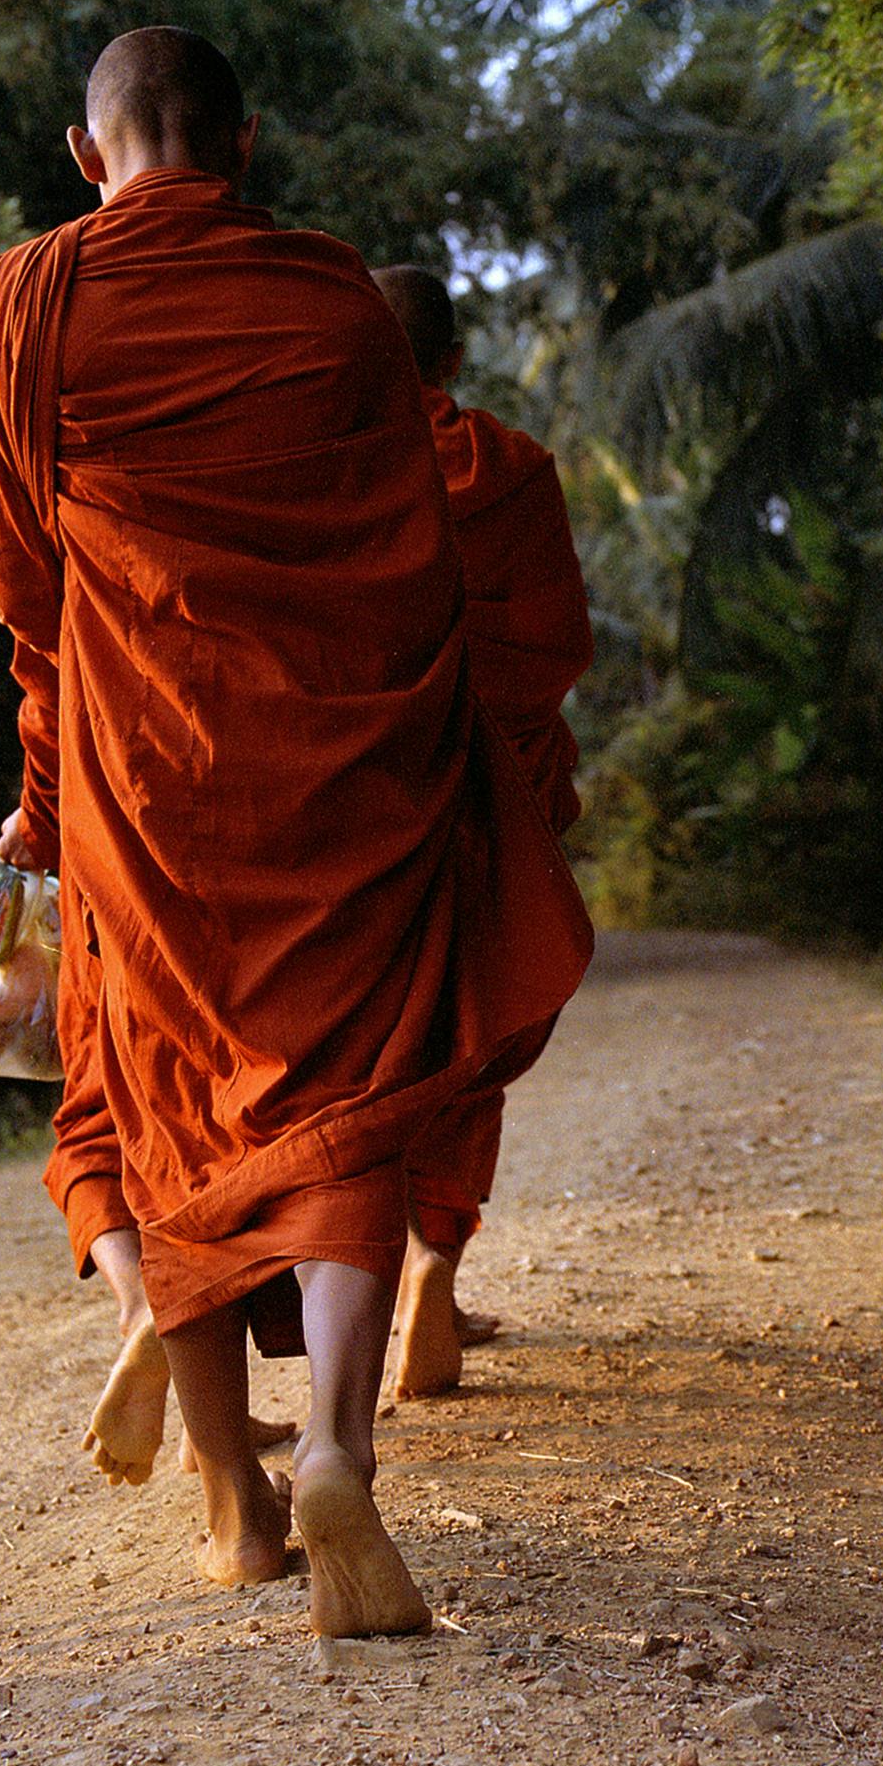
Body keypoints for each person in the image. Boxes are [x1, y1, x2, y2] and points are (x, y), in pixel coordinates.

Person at [0, 26, 593, 1636]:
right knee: (352, 1096)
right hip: (343, 777)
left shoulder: (5, 309)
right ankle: (339, 1451)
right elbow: (409, 575)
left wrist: (46, 794)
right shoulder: (334, 301)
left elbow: (31, 608)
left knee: (162, 1101)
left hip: (147, 787)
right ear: (249, 140)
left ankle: (232, 1501)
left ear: (85, 154)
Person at [367, 263, 595, 1402]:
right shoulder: (510, 470)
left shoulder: (321, 474)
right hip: (495, 789)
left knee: (371, 1039)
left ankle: (370, 1286)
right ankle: (433, 1269)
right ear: (452, 360)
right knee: (478, 1026)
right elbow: (557, 647)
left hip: (365, 800)